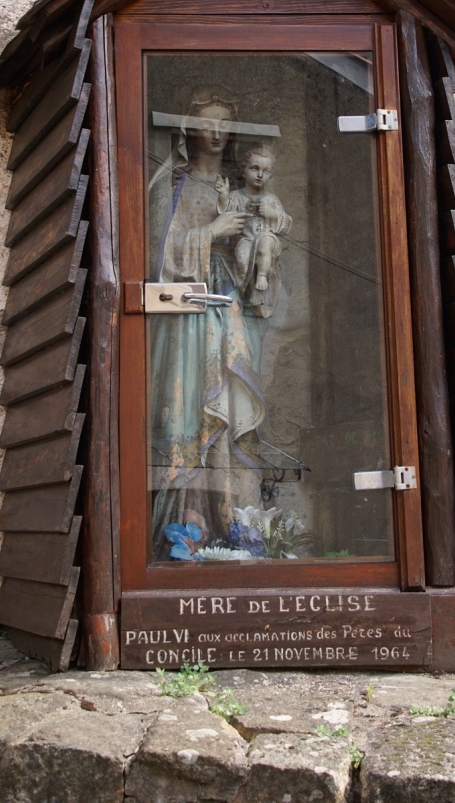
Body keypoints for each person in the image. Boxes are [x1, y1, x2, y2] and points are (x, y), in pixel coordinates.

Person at [148, 88, 268, 561]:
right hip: (187, 312)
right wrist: (211, 234)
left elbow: (263, 262)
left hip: (230, 307)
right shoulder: (171, 184)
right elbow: (156, 254)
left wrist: (255, 248)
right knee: (189, 405)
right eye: (207, 122)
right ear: (187, 129)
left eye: (225, 123)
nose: (217, 133)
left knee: (232, 407)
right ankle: (184, 527)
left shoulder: (241, 187)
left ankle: (235, 525)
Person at [215, 146, 292, 312]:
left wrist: (272, 214)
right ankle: (251, 290)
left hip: (268, 240)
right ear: (244, 171)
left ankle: (263, 276)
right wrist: (223, 197)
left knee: (263, 244)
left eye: (265, 171)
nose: (259, 175)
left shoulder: (271, 199)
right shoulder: (236, 196)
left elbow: (286, 225)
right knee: (242, 255)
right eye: (254, 168)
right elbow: (226, 215)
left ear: (270, 176)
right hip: (247, 240)